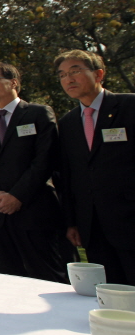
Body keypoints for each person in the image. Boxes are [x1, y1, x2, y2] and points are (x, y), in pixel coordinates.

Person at [0, 61, 68, 283]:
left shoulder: (38, 113)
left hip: (33, 212)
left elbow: (45, 160)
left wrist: (17, 196)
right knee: (6, 281)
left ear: (14, 82)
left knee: (47, 277)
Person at [55, 50, 135, 285]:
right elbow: (68, 175)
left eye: (75, 72)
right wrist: (72, 221)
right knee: (110, 293)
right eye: (62, 75)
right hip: (92, 227)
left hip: (129, 219)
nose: (68, 79)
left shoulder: (129, 106)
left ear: (99, 74)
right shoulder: (68, 122)